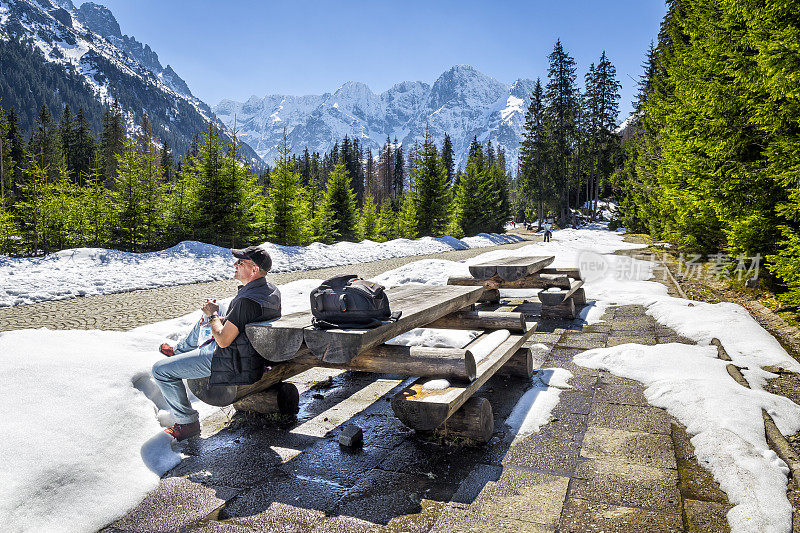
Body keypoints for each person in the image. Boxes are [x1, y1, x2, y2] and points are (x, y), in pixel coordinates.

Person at [152, 246, 281, 441]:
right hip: (250, 350)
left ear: (254, 270)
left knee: (160, 370)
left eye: (240, 262)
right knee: (208, 319)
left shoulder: (247, 301)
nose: (235, 265)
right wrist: (213, 316)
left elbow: (222, 340)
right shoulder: (271, 290)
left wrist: (212, 314)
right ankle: (179, 351)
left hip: (229, 358)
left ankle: (187, 423)